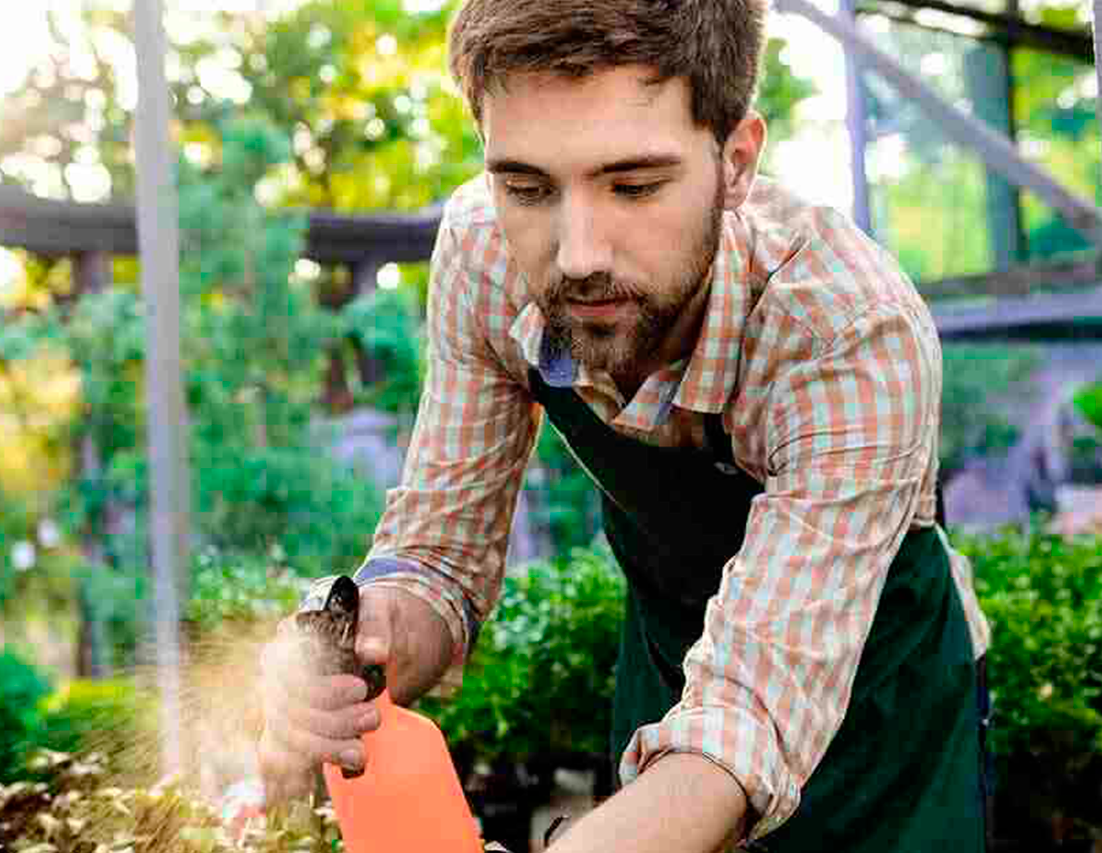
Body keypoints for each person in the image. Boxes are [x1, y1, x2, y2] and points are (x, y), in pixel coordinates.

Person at [257, 1, 993, 850]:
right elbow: (436, 560)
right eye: (526, 186)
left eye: (634, 185)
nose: (576, 255)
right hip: (674, 681)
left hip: (887, 726)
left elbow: (743, 723)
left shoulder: (847, 332)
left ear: (737, 160)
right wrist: (368, 645)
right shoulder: (483, 253)